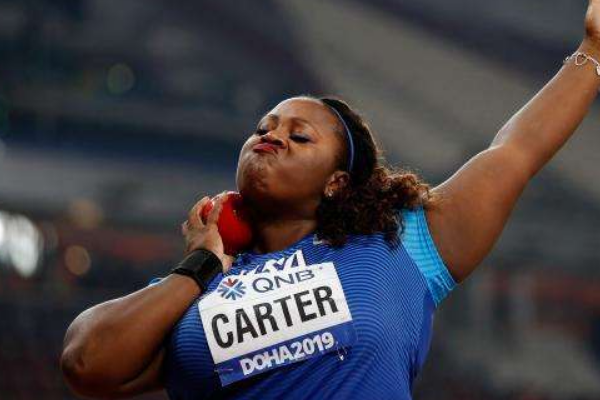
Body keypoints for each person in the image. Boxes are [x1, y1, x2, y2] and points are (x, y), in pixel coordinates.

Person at [61, 2, 600, 399]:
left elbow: (514, 152)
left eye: (299, 136)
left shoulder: (403, 246)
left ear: (337, 182)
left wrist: (592, 50)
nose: (272, 136)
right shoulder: (199, 290)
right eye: (264, 128)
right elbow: (86, 361)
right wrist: (199, 265)